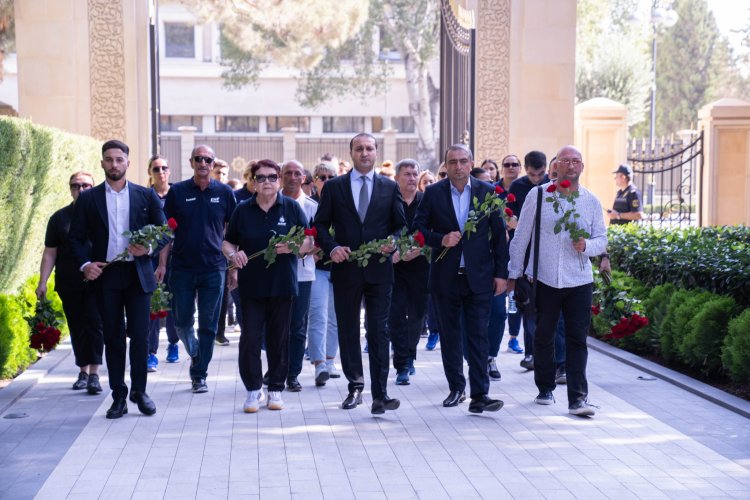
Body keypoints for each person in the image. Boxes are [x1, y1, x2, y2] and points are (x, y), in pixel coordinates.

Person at [508, 145, 607, 417]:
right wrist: (513, 274)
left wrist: (587, 245)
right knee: (543, 335)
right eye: (565, 161)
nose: (571, 166)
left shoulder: (591, 201)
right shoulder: (538, 196)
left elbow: (602, 240)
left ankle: (577, 398)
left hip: (579, 281)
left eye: (576, 161)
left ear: (582, 167)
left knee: (577, 339)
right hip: (544, 279)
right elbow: (521, 237)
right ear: (556, 166)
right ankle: (544, 387)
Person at [70, 140, 165, 419]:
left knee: (140, 336)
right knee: (113, 338)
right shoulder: (89, 199)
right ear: (102, 163)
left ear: (128, 163)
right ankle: (119, 396)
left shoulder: (145, 196)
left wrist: (148, 248)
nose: (114, 164)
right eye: (109, 159)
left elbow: (163, 231)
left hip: (137, 274)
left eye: (119, 159)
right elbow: (75, 238)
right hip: (106, 275)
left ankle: (140, 391)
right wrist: (86, 264)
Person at [314, 133, 406, 415]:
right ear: (351, 153)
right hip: (346, 269)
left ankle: (381, 394)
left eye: (369, 148)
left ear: (376, 152)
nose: (364, 153)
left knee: (379, 331)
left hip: (379, 270)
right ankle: (355, 387)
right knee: (348, 329)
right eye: (359, 149)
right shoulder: (335, 187)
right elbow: (319, 225)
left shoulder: (390, 187)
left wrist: (394, 242)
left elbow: (400, 226)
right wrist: (331, 248)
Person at [414, 144, 509, 414]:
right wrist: (440, 239)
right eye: (453, 162)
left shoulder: (487, 192)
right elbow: (418, 229)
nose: (458, 166)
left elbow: (499, 237)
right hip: (445, 277)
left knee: (478, 336)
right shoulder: (433, 193)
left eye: (463, 161)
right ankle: (456, 388)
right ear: (445, 166)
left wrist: (502, 274)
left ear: (471, 163)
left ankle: (480, 395)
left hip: (479, 278)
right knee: (451, 336)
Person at [223, 159, 313, 412]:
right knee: (250, 339)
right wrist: (233, 256)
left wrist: (295, 247)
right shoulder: (242, 209)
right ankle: (253, 390)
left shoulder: (292, 208)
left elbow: (309, 243)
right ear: (253, 181)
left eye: (272, 177)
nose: (266, 182)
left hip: (282, 285)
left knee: (278, 339)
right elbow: (227, 243)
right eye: (260, 178)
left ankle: (275, 388)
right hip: (251, 286)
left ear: (279, 179)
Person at [161, 145, 237, 394]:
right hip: (182, 267)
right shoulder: (178, 192)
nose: (203, 163)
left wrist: (234, 268)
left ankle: (199, 374)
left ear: (213, 163)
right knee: (182, 321)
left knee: (208, 325)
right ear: (191, 161)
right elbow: (166, 233)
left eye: (208, 159)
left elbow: (233, 234)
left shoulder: (225, 193)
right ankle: (195, 352)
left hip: (214, 269)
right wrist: (162, 264)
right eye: (198, 159)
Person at [37, 171, 104, 393]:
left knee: (95, 324)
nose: (81, 189)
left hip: (98, 280)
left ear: (93, 188)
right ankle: (83, 371)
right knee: (77, 326)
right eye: (76, 186)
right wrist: (42, 282)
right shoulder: (59, 218)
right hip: (69, 281)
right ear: (70, 189)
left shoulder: (102, 215)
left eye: (86, 185)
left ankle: (94, 373)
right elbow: (50, 253)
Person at [507, 151, 549, 371]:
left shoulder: (554, 184)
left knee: (549, 312)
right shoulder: (518, 187)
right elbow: (508, 216)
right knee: (529, 309)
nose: (537, 179)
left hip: (548, 257)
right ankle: (531, 354)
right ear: (525, 169)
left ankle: (550, 357)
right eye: (532, 174)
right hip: (524, 258)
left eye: (541, 174)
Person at [390, 159, 429, 386]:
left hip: (420, 266)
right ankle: (402, 364)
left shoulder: (426, 201)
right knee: (396, 314)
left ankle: (410, 352)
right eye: (407, 174)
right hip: (394, 267)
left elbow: (434, 231)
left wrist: (418, 250)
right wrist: (391, 251)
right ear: (397, 178)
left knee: (416, 315)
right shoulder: (388, 202)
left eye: (415, 174)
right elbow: (382, 229)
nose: (412, 178)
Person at [281, 160, 319, 391]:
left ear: (304, 178)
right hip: (275, 274)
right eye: (288, 173)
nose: (293, 177)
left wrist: (312, 251)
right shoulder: (271, 203)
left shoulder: (313, 207)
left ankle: (293, 373)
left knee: (297, 326)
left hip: (303, 275)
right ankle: (276, 369)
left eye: (298, 174)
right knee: (275, 325)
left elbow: (320, 238)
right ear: (281, 176)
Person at [307, 161, 341, 381]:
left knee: (336, 317)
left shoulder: (342, 204)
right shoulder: (310, 205)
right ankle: (319, 363)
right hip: (316, 268)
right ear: (314, 181)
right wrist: (311, 250)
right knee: (318, 314)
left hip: (339, 267)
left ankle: (330, 360)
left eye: (330, 177)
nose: (326, 181)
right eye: (321, 177)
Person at [146, 155, 180, 368]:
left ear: (169, 171)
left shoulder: (178, 194)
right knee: (153, 303)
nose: (160, 172)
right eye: (156, 168)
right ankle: (151, 351)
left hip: (177, 258)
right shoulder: (144, 195)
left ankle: (174, 342)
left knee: (174, 304)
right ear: (150, 172)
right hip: (151, 258)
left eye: (164, 168)